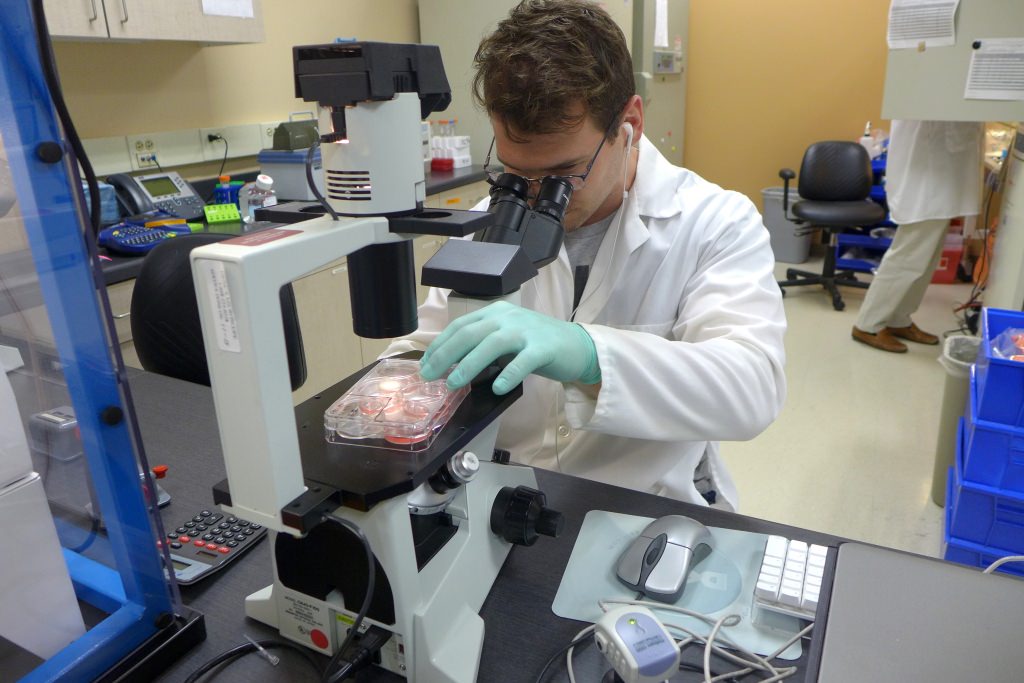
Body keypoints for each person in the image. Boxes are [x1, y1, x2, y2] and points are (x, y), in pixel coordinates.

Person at [383, 0, 786, 510]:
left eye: (562, 176)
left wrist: (590, 355)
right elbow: (428, 348)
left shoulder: (716, 221)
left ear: (630, 124)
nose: (533, 196)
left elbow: (751, 388)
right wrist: (392, 388)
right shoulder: (489, 219)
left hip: (641, 504)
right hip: (502, 494)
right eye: (515, 172)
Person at [851, 120, 984, 353]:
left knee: (925, 259)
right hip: (926, 178)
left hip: (940, 176)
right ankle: (868, 325)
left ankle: (898, 319)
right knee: (909, 256)